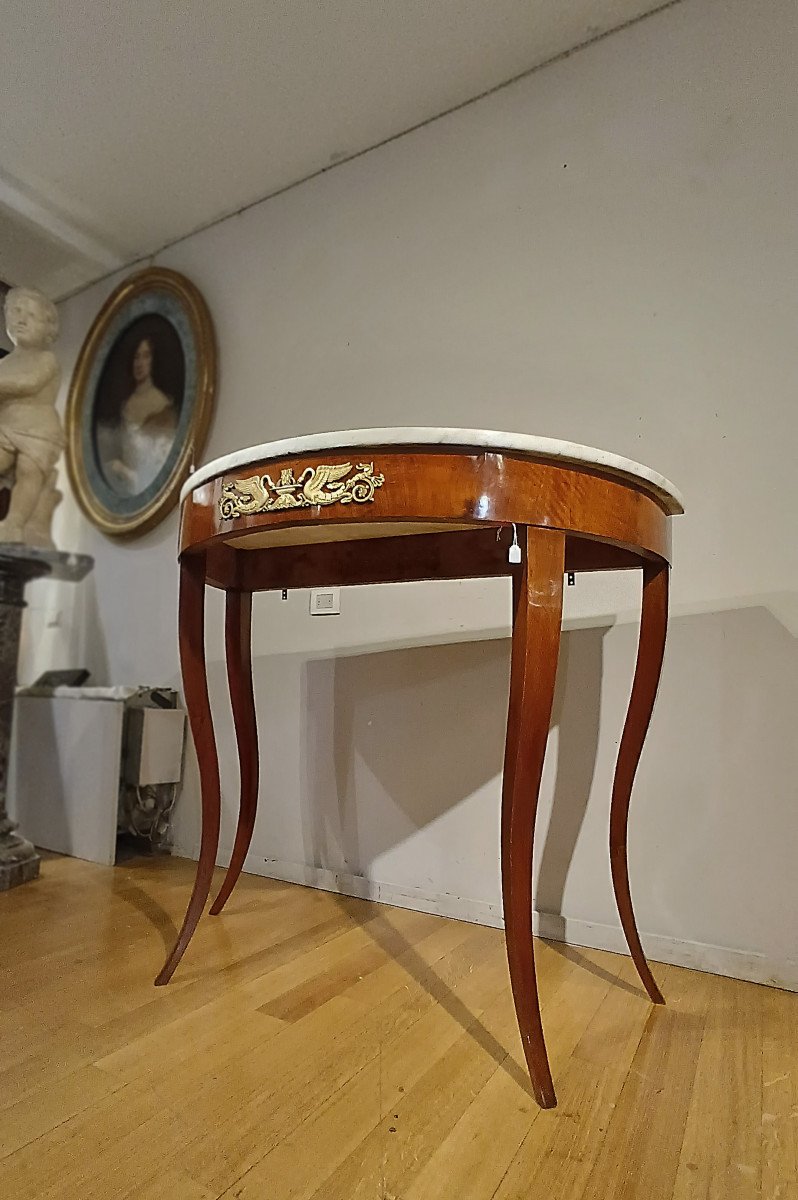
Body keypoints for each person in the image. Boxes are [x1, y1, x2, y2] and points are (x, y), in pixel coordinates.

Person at [0, 287, 64, 544]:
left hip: (39, 431)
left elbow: (29, 383)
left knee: (29, 471)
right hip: (6, 427)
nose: (21, 319)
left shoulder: (46, 359)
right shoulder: (4, 363)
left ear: (48, 328)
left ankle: (15, 522)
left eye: (31, 315)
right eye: (16, 312)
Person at [104, 336, 177, 495]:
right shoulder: (125, 404)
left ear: (153, 360)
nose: (140, 363)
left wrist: (125, 472)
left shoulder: (161, 403)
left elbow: (155, 468)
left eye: (145, 356)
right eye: (136, 357)